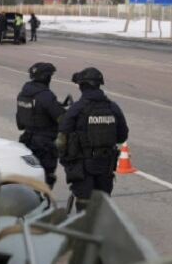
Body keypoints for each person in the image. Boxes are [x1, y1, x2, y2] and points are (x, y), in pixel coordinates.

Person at [57, 67, 128, 210]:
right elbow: (122, 136)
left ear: (82, 86)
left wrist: (66, 162)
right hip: (106, 166)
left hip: (83, 168)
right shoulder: (113, 107)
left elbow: (62, 137)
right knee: (101, 205)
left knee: (84, 206)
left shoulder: (76, 109)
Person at [16, 62, 67, 187]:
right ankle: (44, 204)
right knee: (46, 178)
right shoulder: (46, 96)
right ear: (45, 77)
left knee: (30, 175)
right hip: (45, 144)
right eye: (50, 76)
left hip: (27, 140)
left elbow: (20, 123)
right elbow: (62, 119)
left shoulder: (23, 94)